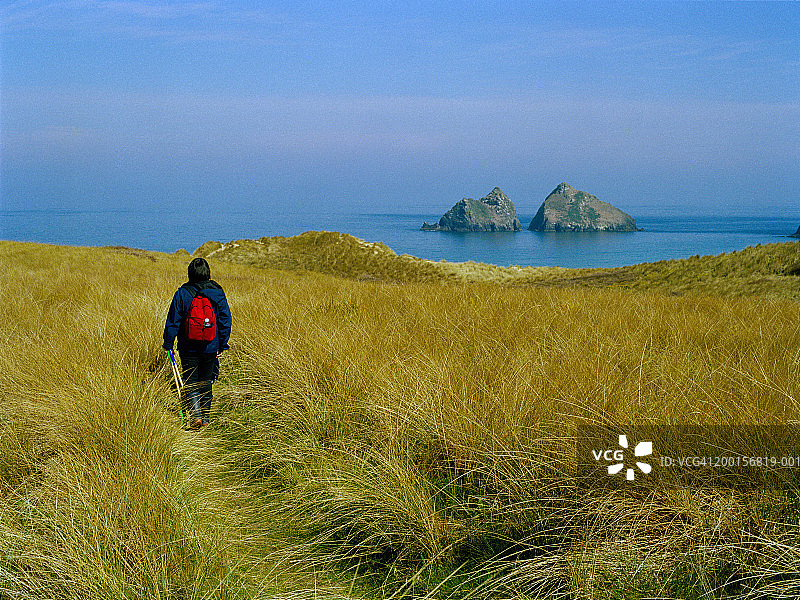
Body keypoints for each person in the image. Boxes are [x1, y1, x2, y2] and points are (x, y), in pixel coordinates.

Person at [163, 257, 232, 429]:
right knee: (206, 380)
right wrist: (223, 344)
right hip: (211, 346)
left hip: (188, 347)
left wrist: (168, 343)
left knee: (191, 380)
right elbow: (225, 320)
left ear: (190, 273)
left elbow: (173, 321)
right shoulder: (217, 292)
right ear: (208, 273)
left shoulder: (182, 293)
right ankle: (206, 419)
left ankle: (196, 416)